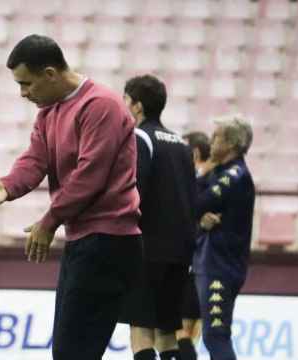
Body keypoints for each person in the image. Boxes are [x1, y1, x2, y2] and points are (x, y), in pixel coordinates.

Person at [0, 34, 142, 360]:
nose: (23, 93)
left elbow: (90, 175)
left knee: (74, 352)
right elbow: (35, 159)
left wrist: (49, 221)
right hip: (85, 239)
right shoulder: (48, 112)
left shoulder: (101, 106)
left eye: (27, 84)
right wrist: (9, 185)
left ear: (50, 74)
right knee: (71, 351)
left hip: (109, 240)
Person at [118, 75, 198, 360]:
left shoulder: (140, 138)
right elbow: (193, 196)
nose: (123, 106)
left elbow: (135, 191)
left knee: (140, 328)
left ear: (137, 106)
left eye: (125, 100)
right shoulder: (181, 144)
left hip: (148, 248)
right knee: (167, 331)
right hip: (180, 251)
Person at [193, 114, 255, 360]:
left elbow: (195, 202)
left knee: (215, 336)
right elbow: (196, 210)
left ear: (231, 144)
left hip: (220, 266)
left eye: (215, 137)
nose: (210, 142)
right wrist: (200, 219)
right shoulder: (220, 171)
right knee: (212, 335)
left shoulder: (234, 175)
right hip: (212, 263)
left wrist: (199, 176)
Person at [176, 131, 213, 360]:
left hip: (190, 263)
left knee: (177, 328)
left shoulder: (196, 182)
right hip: (206, 266)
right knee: (191, 331)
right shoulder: (217, 179)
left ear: (195, 153)